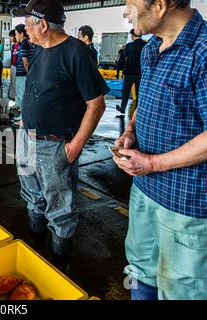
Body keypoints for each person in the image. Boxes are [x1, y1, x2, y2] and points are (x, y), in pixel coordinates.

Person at [114, 0, 207, 300]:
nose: (125, 12)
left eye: (129, 4)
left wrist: (152, 163)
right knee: (139, 273)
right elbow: (147, 99)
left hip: (185, 204)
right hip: (144, 191)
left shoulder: (202, 51)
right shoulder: (152, 47)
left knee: (180, 289)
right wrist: (130, 130)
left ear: (160, 5)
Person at [14, 0, 108, 272]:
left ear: (42, 25)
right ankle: (37, 254)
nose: (25, 31)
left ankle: (57, 269)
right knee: (32, 196)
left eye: (28, 25)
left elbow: (96, 104)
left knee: (59, 209)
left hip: (55, 145)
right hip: (27, 138)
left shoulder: (77, 53)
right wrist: (25, 119)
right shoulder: (39, 50)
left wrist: (76, 145)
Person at [116, 29, 146, 113]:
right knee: (138, 93)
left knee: (126, 92)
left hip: (129, 72)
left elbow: (123, 59)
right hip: (140, 73)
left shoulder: (129, 46)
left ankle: (123, 108)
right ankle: (138, 111)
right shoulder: (145, 45)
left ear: (133, 35)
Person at [13, 24, 32, 124]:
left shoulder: (24, 44)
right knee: (22, 95)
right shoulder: (24, 43)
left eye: (16, 34)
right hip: (22, 74)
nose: (16, 36)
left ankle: (23, 119)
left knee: (22, 95)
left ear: (21, 34)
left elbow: (25, 62)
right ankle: (23, 118)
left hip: (23, 74)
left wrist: (29, 74)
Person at [8, 30, 18, 102]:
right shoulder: (13, 45)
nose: (10, 39)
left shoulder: (21, 44)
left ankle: (18, 101)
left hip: (18, 67)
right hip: (13, 66)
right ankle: (14, 98)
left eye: (11, 37)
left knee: (18, 85)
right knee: (13, 83)